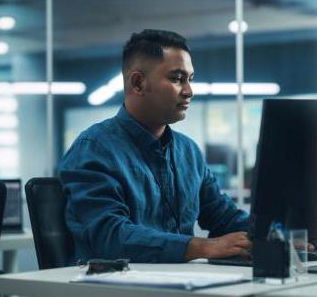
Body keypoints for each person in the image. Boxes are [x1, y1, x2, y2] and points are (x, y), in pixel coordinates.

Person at [58, 29, 251, 263]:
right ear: (138, 83)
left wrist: (277, 235)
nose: (189, 91)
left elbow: (224, 217)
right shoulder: (94, 149)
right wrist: (202, 247)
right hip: (116, 287)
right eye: (177, 79)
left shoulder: (188, 151)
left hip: (181, 284)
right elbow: (109, 237)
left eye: (190, 79)